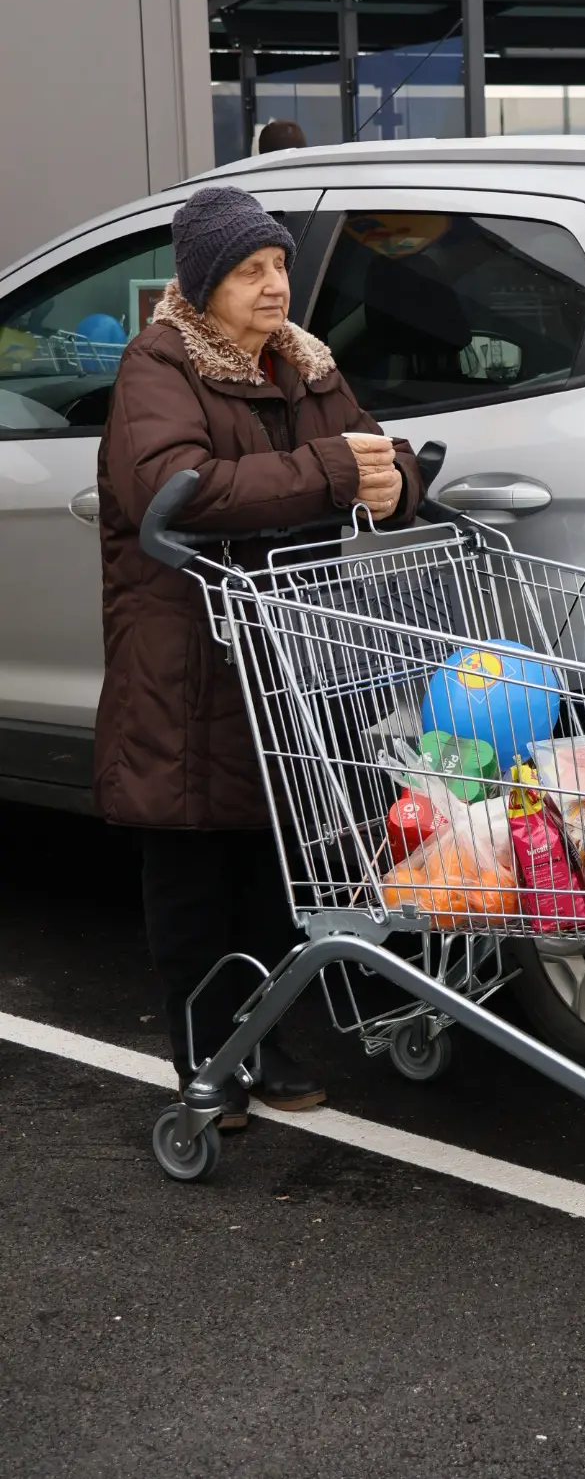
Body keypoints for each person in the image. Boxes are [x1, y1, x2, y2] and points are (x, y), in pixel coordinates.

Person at [95, 184, 420, 1129]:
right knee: (194, 866)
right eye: (250, 271)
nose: (274, 286)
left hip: (288, 648)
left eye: (278, 266)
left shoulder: (307, 365)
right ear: (203, 286)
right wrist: (335, 472)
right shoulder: (159, 365)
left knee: (278, 867)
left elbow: (370, 453)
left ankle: (264, 1038)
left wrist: (399, 482)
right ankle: (205, 1059)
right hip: (190, 658)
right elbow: (176, 487)